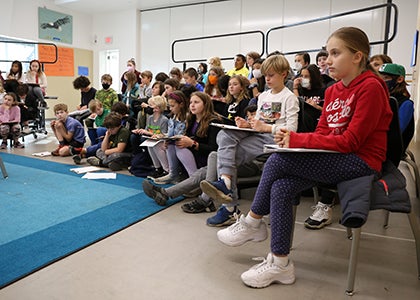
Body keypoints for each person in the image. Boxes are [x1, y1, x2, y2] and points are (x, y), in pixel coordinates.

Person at [216, 27, 392, 288]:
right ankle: (280, 263)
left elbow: (351, 142)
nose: (328, 60)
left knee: (276, 161)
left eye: (335, 53)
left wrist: (297, 139)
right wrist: (296, 143)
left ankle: (252, 222)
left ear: (357, 56)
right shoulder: (332, 91)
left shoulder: (370, 88)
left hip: (361, 161)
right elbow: (323, 133)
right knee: (281, 186)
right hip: (334, 157)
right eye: (328, 52)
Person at [200, 54, 300, 226]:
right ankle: (225, 185)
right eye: (265, 75)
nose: (267, 79)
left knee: (223, 156)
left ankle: (229, 206)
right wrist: (247, 124)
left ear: (284, 74)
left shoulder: (289, 97)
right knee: (224, 135)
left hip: (274, 138)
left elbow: (292, 129)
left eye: (271, 75)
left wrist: (266, 127)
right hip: (258, 134)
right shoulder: (263, 96)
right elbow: (258, 122)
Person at [144, 92, 222, 205]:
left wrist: (193, 143)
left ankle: (166, 192)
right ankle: (168, 184)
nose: (192, 105)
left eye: (196, 102)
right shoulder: (192, 119)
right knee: (173, 144)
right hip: (196, 154)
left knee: (181, 149)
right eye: (191, 102)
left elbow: (214, 149)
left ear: (205, 104)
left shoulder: (214, 122)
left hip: (209, 157)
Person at [149, 91, 188, 184]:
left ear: (181, 104)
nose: (170, 109)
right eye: (169, 106)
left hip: (180, 143)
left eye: (173, 106)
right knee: (154, 142)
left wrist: (168, 139)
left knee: (169, 146)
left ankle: (170, 172)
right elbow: (170, 133)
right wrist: (163, 137)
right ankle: (167, 171)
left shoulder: (186, 118)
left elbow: (183, 134)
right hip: (172, 141)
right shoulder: (172, 117)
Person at [379, 63, 415, 153]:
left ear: (399, 79)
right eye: (381, 77)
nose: (382, 81)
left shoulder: (406, 104)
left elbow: (396, 134)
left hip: (390, 152)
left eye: (386, 78)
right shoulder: (382, 99)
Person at [131, 95, 169, 178]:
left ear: (157, 108)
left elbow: (164, 134)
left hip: (161, 141)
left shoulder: (164, 120)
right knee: (149, 145)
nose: (149, 107)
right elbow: (147, 130)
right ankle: (157, 168)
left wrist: (149, 133)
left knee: (156, 146)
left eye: (151, 106)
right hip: (152, 139)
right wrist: (140, 131)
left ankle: (166, 169)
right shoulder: (150, 118)